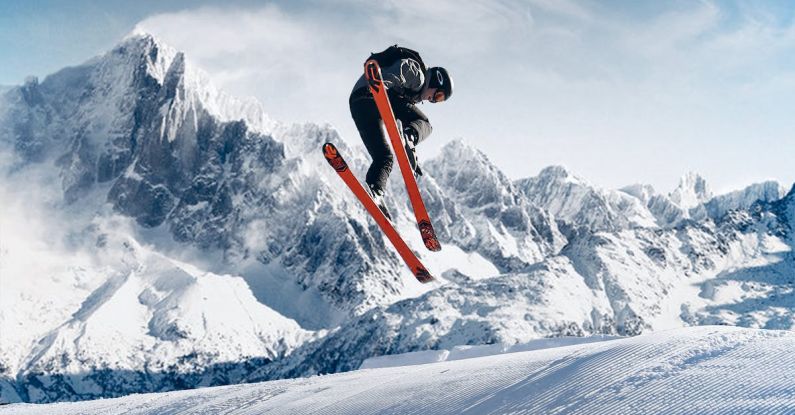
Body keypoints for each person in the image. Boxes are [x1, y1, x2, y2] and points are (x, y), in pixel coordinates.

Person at [349, 45, 453, 220]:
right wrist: (379, 87)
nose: (433, 100)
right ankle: (411, 135)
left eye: (438, 101)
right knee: (425, 123)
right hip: (373, 93)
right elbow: (399, 71)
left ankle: (375, 190)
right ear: (436, 80)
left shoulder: (413, 91)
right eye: (438, 96)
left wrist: (410, 156)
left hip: (359, 103)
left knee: (384, 157)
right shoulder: (418, 75)